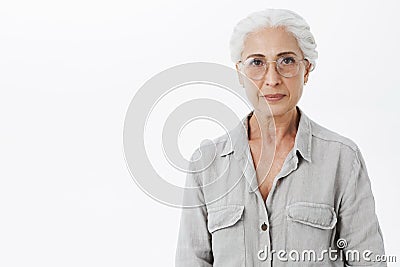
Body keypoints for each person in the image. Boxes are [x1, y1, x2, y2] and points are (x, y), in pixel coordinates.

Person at [175, 8, 386, 266]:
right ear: (240, 73)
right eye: (257, 62)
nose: (272, 79)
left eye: (286, 61)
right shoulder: (207, 163)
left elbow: (368, 261)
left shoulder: (342, 159)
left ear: (306, 70)